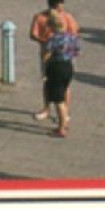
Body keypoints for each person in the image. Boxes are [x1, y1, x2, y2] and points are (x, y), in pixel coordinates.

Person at [29, 0, 80, 121]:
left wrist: (60, 42)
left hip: (63, 57)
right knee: (47, 83)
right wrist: (45, 40)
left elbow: (75, 31)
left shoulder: (67, 16)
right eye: (59, 6)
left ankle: (64, 112)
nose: (61, 8)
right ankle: (46, 109)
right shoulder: (40, 17)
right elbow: (33, 34)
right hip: (48, 56)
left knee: (64, 86)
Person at [40, 8, 82, 137]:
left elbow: (45, 56)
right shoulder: (72, 37)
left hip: (56, 67)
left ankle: (62, 127)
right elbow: (77, 52)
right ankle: (64, 122)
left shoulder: (53, 39)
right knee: (64, 91)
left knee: (58, 99)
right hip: (68, 66)